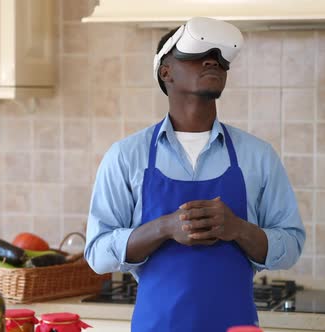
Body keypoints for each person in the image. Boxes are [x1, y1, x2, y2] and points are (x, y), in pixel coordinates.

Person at [85, 17, 306, 332]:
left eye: (219, 57)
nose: (212, 61)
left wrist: (238, 229)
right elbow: (97, 253)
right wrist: (164, 227)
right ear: (166, 71)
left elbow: (292, 245)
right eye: (196, 53)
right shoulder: (125, 157)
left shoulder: (258, 156)